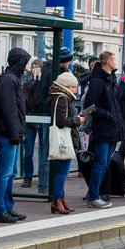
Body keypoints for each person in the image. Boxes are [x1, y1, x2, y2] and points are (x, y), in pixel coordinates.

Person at [0, 48, 31, 223]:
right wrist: (15, 133)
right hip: (8, 133)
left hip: (12, 132)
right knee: (5, 172)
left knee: (11, 172)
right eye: (26, 61)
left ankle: (7, 206)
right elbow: (9, 109)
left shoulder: (13, 78)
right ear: (20, 62)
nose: (28, 66)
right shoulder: (8, 80)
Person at [81, 51, 124, 209]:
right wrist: (107, 114)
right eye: (114, 60)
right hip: (103, 128)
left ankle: (97, 195)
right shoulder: (98, 81)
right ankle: (93, 196)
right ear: (109, 62)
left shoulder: (111, 80)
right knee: (100, 163)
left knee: (105, 163)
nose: (116, 62)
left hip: (112, 128)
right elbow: (89, 105)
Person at [47, 71, 85, 214]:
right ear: (66, 86)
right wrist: (78, 120)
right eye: (73, 87)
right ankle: (57, 200)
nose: (76, 89)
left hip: (66, 137)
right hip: (65, 139)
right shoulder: (62, 98)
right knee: (62, 172)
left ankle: (61, 199)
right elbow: (62, 121)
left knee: (62, 171)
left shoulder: (60, 97)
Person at [22, 58, 50, 192]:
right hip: (30, 120)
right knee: (28, 151)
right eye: (32, 67)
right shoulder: (28, 84)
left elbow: (41, 98)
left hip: (41, 118)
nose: (34, 69)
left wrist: (39, 81)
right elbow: (26, 98)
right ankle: (27, 177)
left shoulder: (43, 83)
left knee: (43, 152)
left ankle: (42, 179)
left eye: (37, 67)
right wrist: (34, 81)